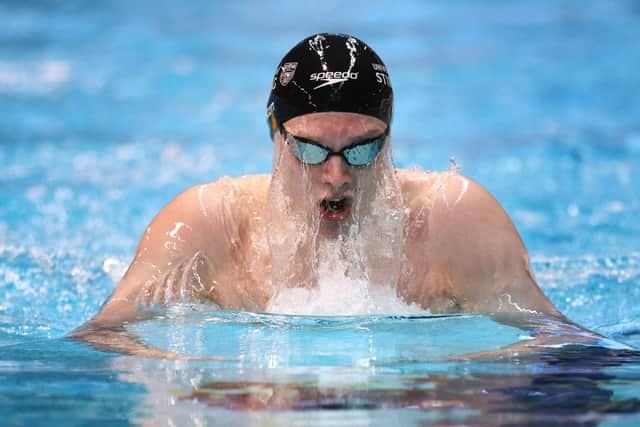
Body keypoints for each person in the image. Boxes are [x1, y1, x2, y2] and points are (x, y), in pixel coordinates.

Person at [74, 33, 570, 356]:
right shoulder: (210, 223)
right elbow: (104, 335)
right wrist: (211, 381)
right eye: (311, 151)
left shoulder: (455, 219)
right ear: (277, 135)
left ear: (389, 139)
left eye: (361, 150)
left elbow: (555, 343)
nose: (336, 176)